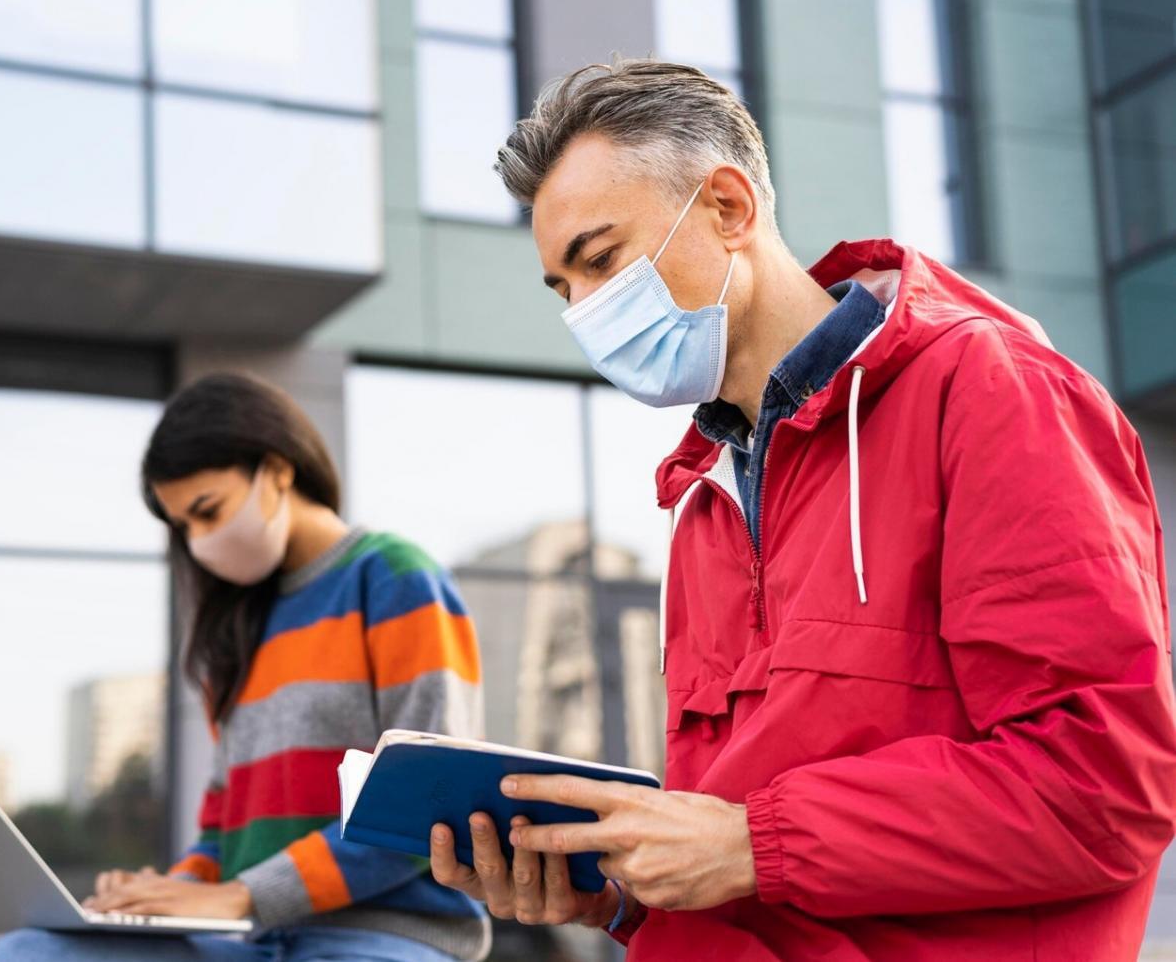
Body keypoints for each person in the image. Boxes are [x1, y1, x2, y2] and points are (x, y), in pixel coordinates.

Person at [430, 58, 1176, 960]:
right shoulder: (700, 494)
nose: (585, 311)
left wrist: (752, 845)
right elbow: (738, 851)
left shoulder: (989, 392)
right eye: (563, 287)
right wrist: (620, 890)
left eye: (599, 259)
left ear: (729, 209)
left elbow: (1105, 784)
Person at [0, 372, 491, 962]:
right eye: (184, 527)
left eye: (208, 510)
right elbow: (225, 833)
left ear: (276, 469)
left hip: (384, 934)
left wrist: (240, 895)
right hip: (250, 935)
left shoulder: (395, 578)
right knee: (26, 953)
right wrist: (165, 896)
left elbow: (429, 801)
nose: (200, 540)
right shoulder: (238, 626)